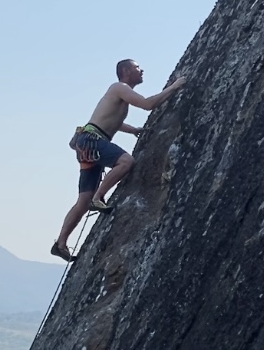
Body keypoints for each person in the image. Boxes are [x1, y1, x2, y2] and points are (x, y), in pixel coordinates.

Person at [51, 60, 186, 261]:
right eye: (137, 68)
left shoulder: (118, 94)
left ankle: (60, 244)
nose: (141, 71)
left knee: (83, 201)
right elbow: (148, 104)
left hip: (88, 142)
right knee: (126, 162)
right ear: (126, 71)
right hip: (93, 140)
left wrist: (132, 130)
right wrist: (174, 87)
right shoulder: (119, 87)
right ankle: (98, 197)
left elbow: (112, 120)